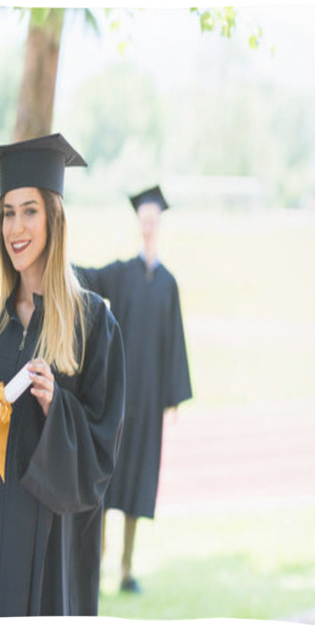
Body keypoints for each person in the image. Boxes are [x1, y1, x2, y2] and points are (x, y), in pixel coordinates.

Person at [0, 133, 126, 618]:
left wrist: (60, 407)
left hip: (46, 552)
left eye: (29, 211)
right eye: (8, 213)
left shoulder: (92, 325)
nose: (16, 226)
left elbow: (103, 450)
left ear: (54, 218)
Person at [76, 185, 192, 593]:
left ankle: (126, 570)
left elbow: (174, 341)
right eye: (143, 219)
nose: (147, 225)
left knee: (138, 484)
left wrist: (173, 396)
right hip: (118, 399)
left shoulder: (168, 284)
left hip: (149, 401)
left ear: (158, 224)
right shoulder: (123, 274)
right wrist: (56, 263)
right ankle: (97, 562)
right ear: (137, 223)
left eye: (153, 220)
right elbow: (88, 277)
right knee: (107, 480)